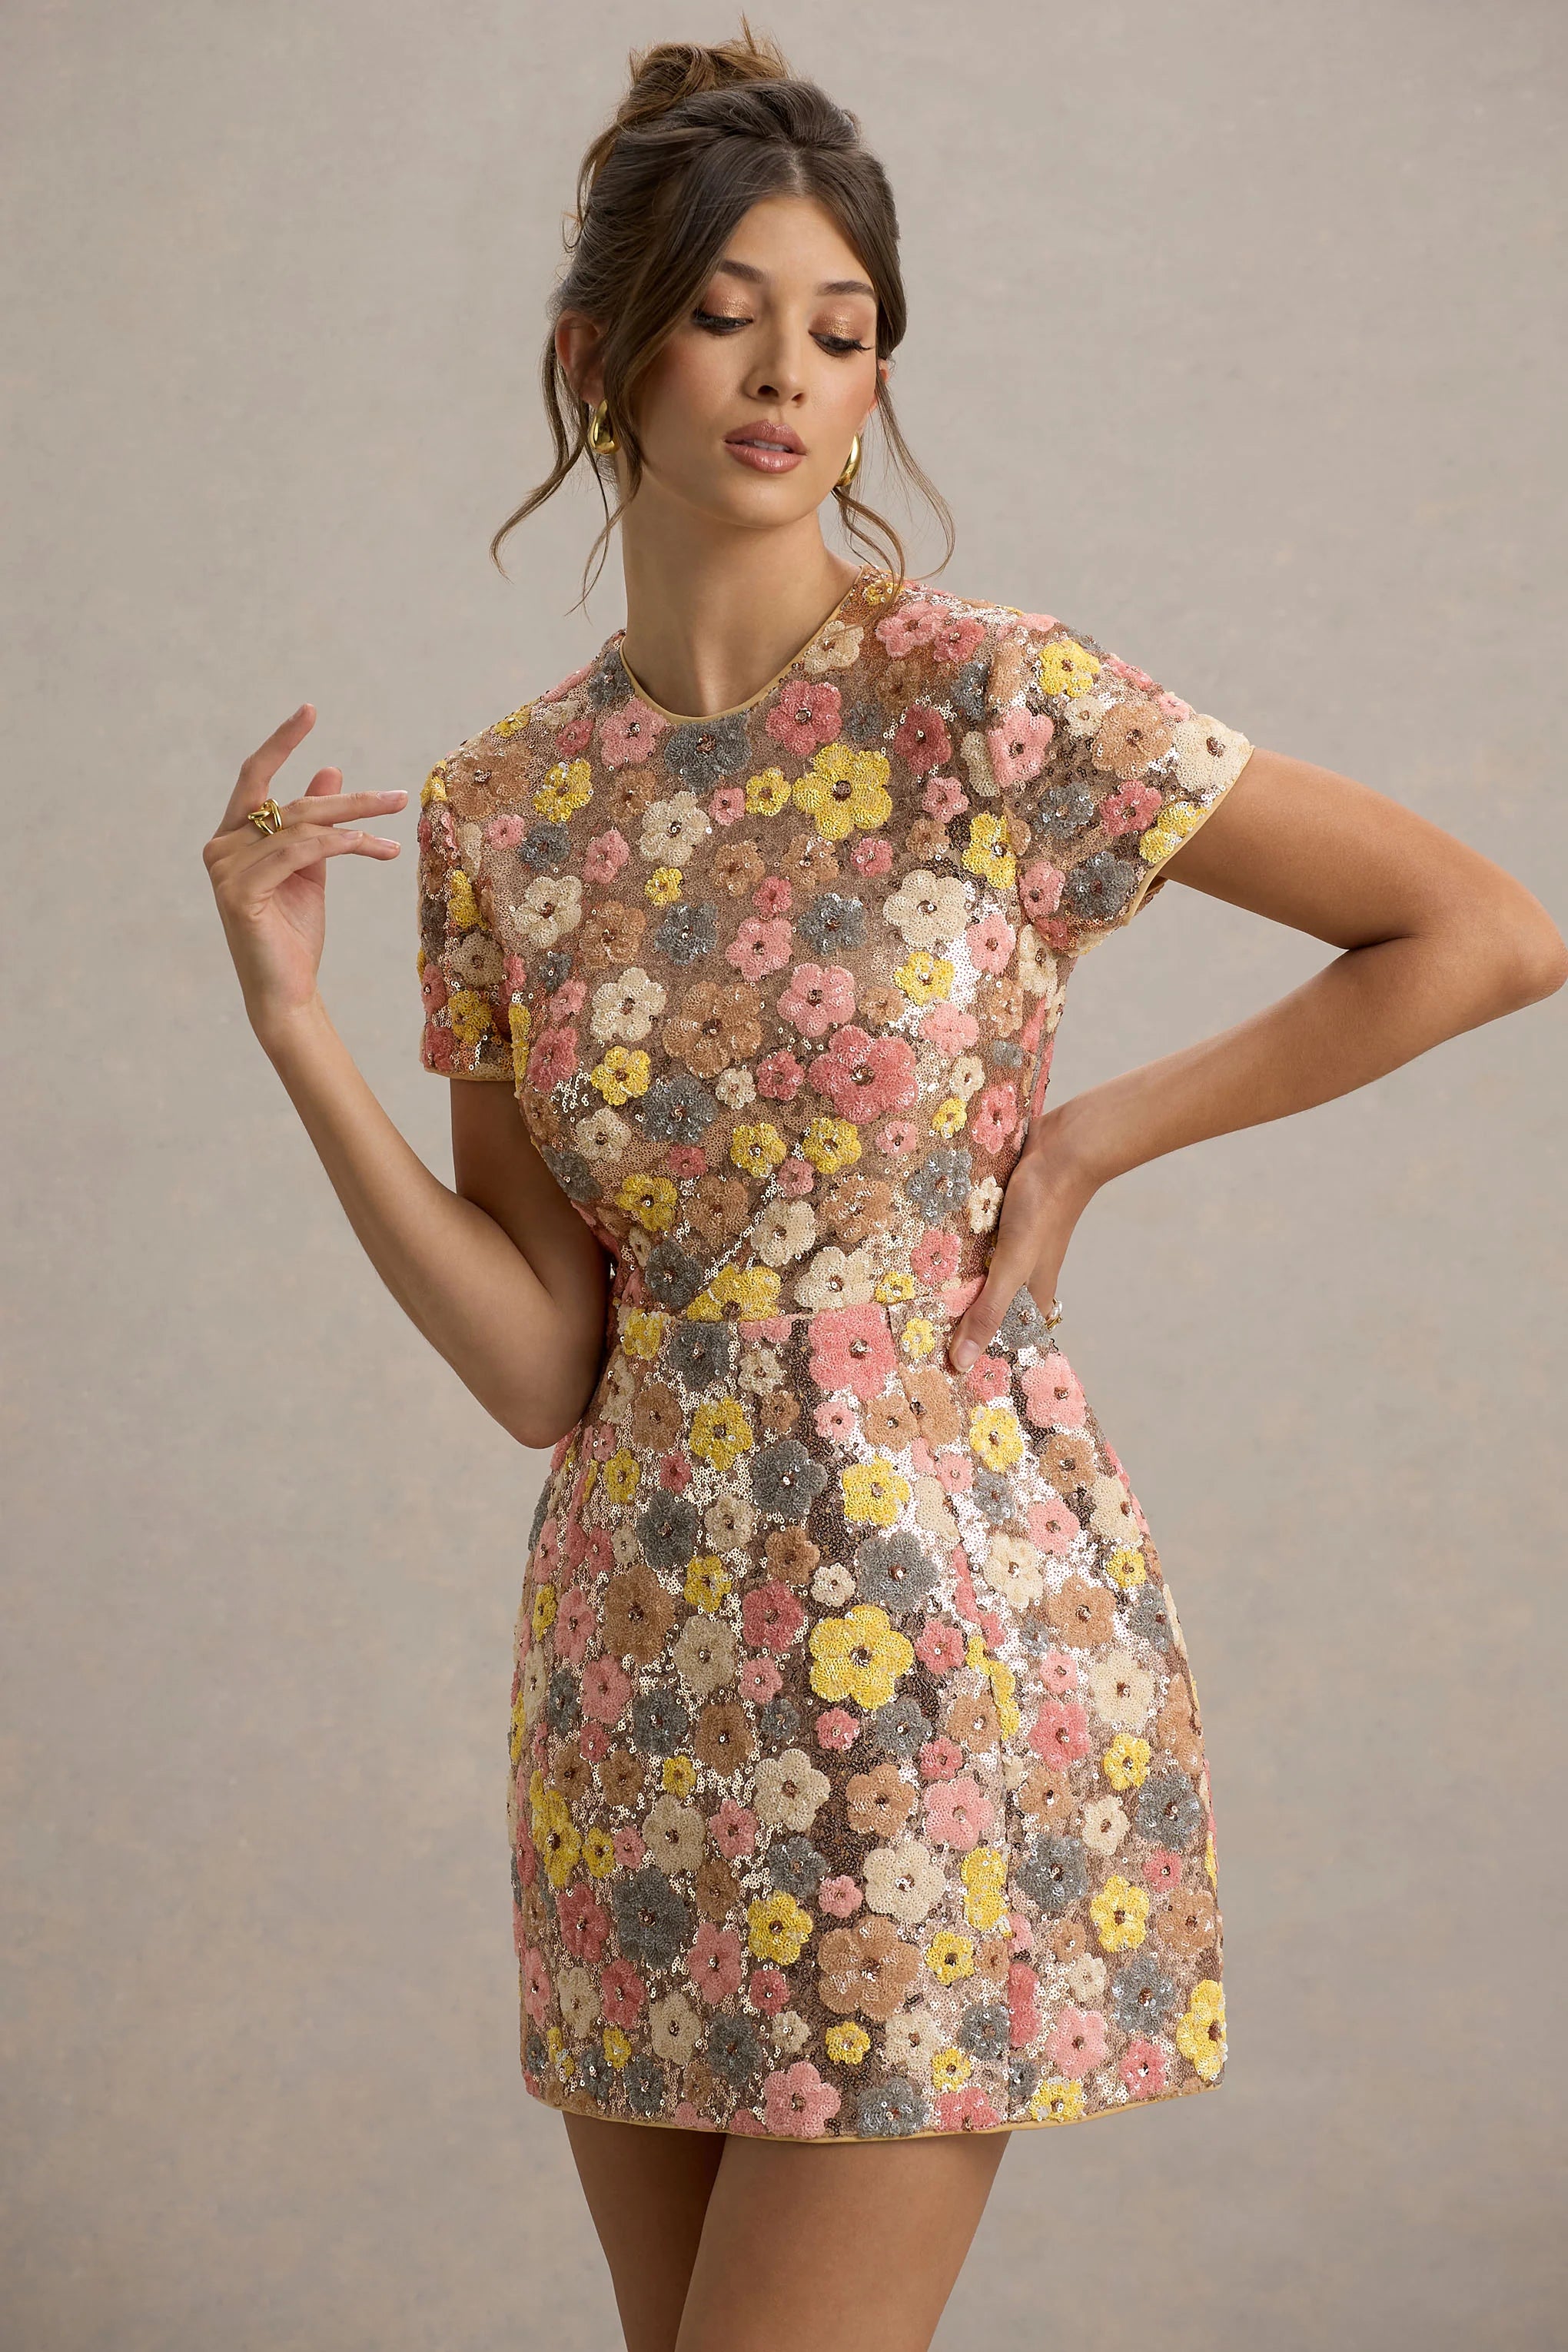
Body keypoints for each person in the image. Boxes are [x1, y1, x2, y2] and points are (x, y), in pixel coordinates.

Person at [203, 28, 1566, 2352]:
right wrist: (294, 1027)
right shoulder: (506, 815)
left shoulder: (983, 705)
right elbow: (540, 1362)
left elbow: (1486, 931)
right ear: (597, 355)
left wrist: (1095, 1134)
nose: (787, 377)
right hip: (636, 1683)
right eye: (729, 315)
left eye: (842, 334)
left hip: (924, 1653)